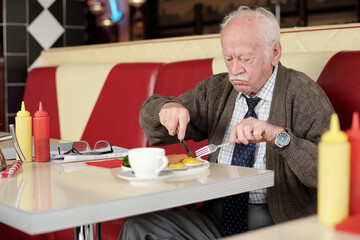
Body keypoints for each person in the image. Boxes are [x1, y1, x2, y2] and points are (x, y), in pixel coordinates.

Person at [119, 5, 334, 240]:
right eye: (228, 58)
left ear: (274, 52)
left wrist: (277, 136)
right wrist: (166, 109)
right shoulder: (218, 90)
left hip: (278, 222)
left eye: (245, 59)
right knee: (138, 226)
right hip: (218, 216)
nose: (234, 70)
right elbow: (152, 120)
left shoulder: (304, 94)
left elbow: (331, 171)